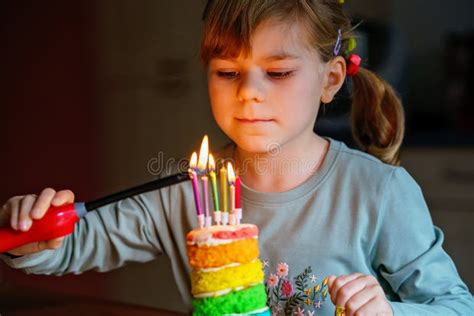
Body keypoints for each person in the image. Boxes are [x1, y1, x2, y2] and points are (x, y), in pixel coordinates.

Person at [1, 1, 473, 315]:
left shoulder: (379, 192)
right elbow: (77, 247)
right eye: (228, 71)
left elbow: (456, 306)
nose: (249, 93)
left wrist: (389, 311)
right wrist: (33, 237)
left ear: (330, 80)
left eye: (278, 71)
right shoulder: (183, 190)